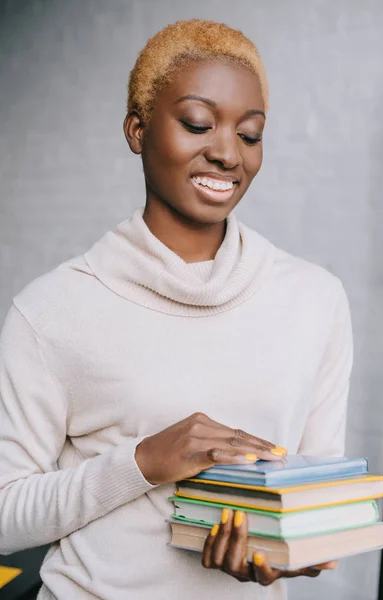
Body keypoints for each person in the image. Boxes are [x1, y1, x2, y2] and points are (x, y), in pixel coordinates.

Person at [0, 18, 353, 600]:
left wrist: (290, 552)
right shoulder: (52, 310)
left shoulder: (314, 299)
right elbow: (7, 516)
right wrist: (143, 460)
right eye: (197, 124)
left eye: (250, 133)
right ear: (137, 131)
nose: (225, 153)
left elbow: (317, 502)